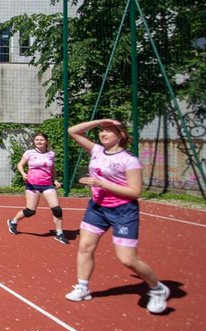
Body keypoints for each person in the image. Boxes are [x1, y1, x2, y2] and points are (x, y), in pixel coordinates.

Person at [64, 118, 169, 314]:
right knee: (85, 246)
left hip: (123, 211)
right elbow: (72, 131)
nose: (103, 133)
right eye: (101, 130)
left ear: (121, 135)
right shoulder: (96, 150)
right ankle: (83, 287)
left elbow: (135, 191)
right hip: (97, 207)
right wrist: (100, 121)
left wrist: (102, 184)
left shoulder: (129, 160)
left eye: (109, 131)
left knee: (127, 259)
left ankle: (158, 288)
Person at [7, 132, 68, 244]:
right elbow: (20, 164)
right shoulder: (29, 153)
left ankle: (59, 233)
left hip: (47, 185)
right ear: (34, 142)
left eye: (41, 140)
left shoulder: (51, 154)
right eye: (37, 140)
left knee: (57, 209)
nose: (39, 142)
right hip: (32, 184)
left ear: (46, 141)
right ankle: (13, 221)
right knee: (30, 211)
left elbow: (52, 168)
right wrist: (23, 173)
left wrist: (55, 180)